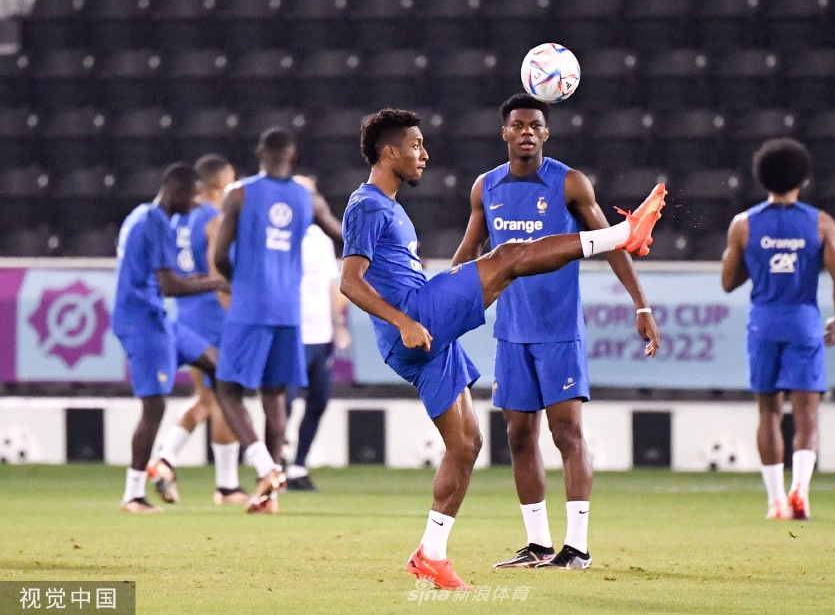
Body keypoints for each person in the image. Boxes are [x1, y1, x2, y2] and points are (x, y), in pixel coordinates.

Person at [339, 108, 666, 590]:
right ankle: (623, 234)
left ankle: (430, 554)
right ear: (389, 152)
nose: (424, 154)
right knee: (509, 257)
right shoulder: (366, 205)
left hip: (424, 330)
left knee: (467, 443)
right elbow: (349, 281)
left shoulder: (390, 206)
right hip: (414, 320)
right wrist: (403, 321)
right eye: (415, 145)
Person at [452, 94, 660, 570]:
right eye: (518, 125)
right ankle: (538, 544)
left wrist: (641, 304)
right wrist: (442, 302)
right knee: (518, 436)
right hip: (511, 332)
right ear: (505, 133)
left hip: (559, 330)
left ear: (546, 133)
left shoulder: (569, 182)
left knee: (566, 433)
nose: (526, 132)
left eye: (535, 125)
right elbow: (468, 252)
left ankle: (578, 547)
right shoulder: (485, 186)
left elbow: (612, 244)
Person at [721, 138, 835, 521]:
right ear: (802, 178)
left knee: (768, 412)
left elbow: (728, 282)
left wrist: (757, 260)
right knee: (806, 413)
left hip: (763, 323)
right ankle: (801, 491)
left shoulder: (744, 224)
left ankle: (776, 500)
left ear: (761, 177)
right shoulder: (821, 223)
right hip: (804, 323)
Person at [112, 163, 228, 513]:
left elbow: (161, 278)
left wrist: (198, 279)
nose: (195, 204)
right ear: (176, 191)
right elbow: (169, 285)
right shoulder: (155, 222)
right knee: (155, 405)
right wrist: (218, 282)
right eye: (192, 197)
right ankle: (133, 494)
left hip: (156, 317)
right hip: (141, 321)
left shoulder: (141, 216)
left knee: (218, 365)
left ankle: (221, 474)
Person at [213, 128, 312, 514]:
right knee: (274, 397)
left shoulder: (239, 193)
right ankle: (269, 497)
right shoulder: (305, 196)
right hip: (288, 309)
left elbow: (220, 255)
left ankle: (266, 467)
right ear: (293, 154)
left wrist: (238, 281)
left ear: (259, 152)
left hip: (251, 306)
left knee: (227, 389)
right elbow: (339, 232)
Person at [147, 155, 248, 506]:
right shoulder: (213, 219)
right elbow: (216, 273)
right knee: (226, 396)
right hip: (213, 317)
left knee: (205, 399)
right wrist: (235, 312)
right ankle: (227, 486)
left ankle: (164, 460)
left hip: (186, 315)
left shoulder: (177, 219)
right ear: (221, 184)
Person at [285, 222, 351, 491]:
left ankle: (298, 466)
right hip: (291, 334)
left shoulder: (320, 238)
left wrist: (338, 325)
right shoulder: (281, 235)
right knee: (284, 404)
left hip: (321, 336)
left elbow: (331, 285)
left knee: (318, 401)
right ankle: (274, 466)